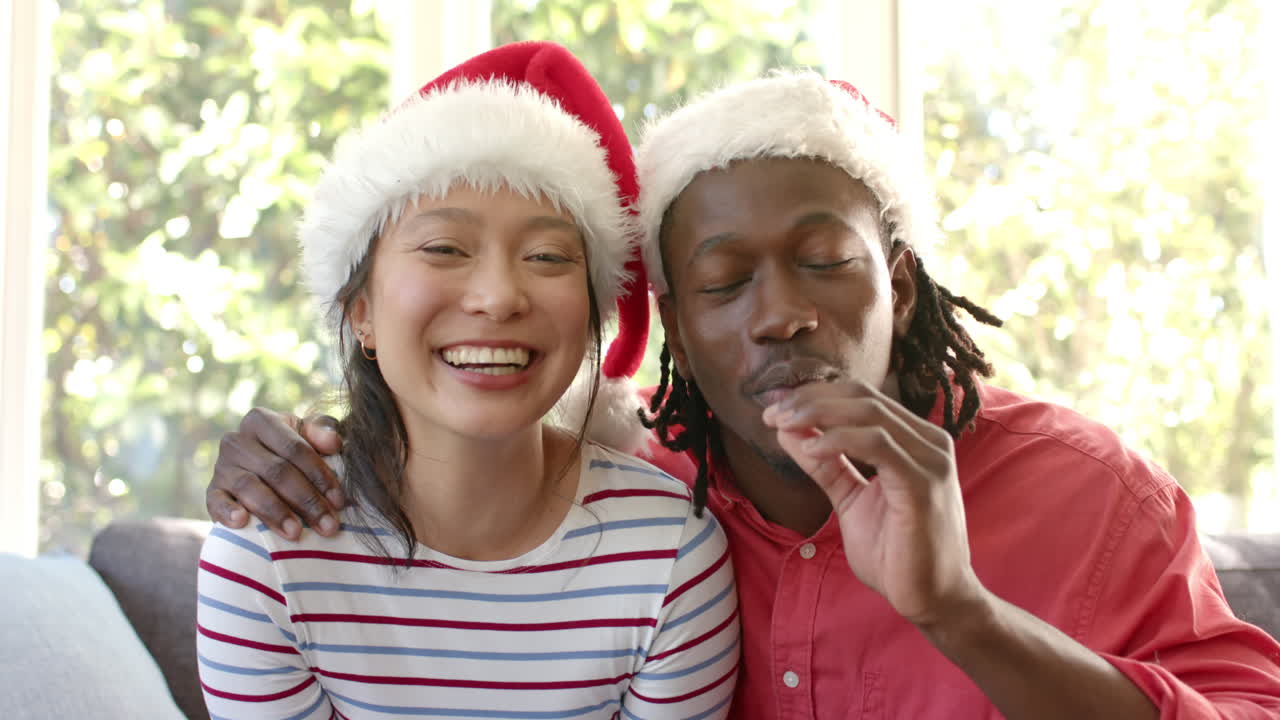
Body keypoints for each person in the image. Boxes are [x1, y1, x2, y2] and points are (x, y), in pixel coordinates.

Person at [206, 69, 1280, 719]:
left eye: (824, 260)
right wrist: (299, 450)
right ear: (671, 320)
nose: (778, 315)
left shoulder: (1086, 492)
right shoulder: (650, 491)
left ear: (898, 287)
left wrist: (962, 614)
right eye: (722, 282)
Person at [195, 41, 738, 720]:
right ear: (359, 311)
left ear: (591, 315)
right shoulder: (269, 551)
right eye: (444, 248)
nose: (498, 297)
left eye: (546, 256)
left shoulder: (670, 553)